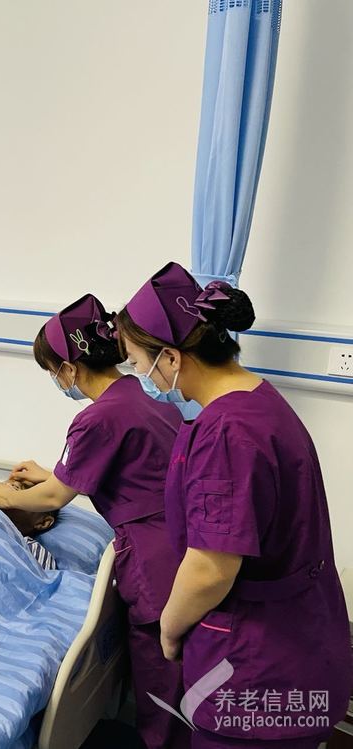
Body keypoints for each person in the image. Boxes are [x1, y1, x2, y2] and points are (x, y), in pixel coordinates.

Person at [118, 261, 352, 749]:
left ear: (171, 357)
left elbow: (210, 569)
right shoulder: (259, 398)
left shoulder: (227, 432)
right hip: (301, 643)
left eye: (137, 362)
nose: (139, 375)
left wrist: (169, 630)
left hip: (256, 670)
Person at [0, 293, 189, 749]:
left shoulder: (98, 417)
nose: (56, 381)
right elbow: (115, 469)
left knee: (163, 682)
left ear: (69, 368)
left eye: (52, 371)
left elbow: (56, 496)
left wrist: (5, 496)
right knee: (178, 679)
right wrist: (50, 474)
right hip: (178, 542)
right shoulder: (141, 394)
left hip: (155, 562)